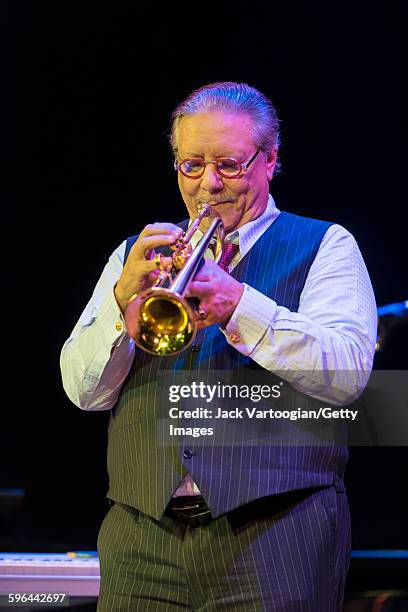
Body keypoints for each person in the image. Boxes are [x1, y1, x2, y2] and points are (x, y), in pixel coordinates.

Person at [60, 82, 377, 611]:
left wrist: (236, 302)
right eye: (191, 166)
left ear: (270, 159)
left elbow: (346, 373)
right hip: (141, 538)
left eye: (228, 165)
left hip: (276, 535)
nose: (209, 185)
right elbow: (82, 392)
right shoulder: (134, 256)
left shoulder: (326, 245)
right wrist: (121, 301)